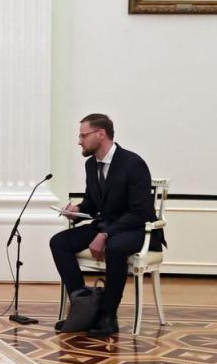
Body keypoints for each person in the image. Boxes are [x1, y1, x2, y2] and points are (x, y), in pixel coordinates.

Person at [50, 113, 162, 337]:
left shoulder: (133, 164)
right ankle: (84, 308)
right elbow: (93, 203)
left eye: (83, 135)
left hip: (136, 228)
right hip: (107, 224)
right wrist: (77, 211)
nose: (79, 141)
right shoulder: (92, 164)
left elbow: (141, 212)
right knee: (59, 242)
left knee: (115, 247)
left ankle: (108, 315)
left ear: (101, 134)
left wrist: (106, 233)